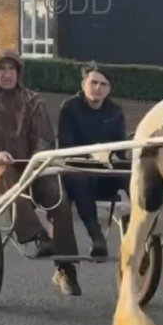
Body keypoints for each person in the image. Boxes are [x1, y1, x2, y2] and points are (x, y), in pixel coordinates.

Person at [0, 49, 82, 296]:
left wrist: (37, 158)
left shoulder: (33, 101)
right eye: (1, 69)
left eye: (11, 69)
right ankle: (38, 235)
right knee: (7, 177)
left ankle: (66, 268)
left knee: (57, 194)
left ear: (19, 72)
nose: (7, 74)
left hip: (31, 166)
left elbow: (44, 137)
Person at [58, 62, 129, 258]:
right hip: (78, 170)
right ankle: (96, 236)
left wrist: (114, 156)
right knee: (78, 178)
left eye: (103, 84)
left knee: (131, 173)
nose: (98, 88)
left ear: (109, 89)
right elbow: (66, 146)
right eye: (93, 83)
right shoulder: (70, 107)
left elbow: (121, 147)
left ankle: (140, 224)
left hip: (106, 171)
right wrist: (93, 155)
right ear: (83, 85)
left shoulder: (115, 111)